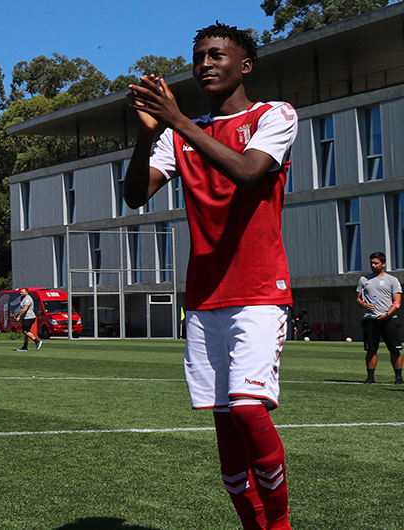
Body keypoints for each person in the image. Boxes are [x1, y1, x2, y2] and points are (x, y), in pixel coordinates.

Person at [125, 22, 298, 530]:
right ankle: (253, 524)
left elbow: (248, 172)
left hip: (260, 290)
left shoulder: (275, 115)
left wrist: (177, 120)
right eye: (199, 55)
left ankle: (281, 523)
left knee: (248, 410)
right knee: (225, 427)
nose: (205, 63)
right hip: (203, 297)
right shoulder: (178, 136)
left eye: (217, 55)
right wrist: (146, 136)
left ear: (244, 65)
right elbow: (136, 195)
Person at [356, 252, 403, 385]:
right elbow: (358, 298)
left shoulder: (392, 280)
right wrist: (364, 304)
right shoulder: (364, 279)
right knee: (371, 349)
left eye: (376, 263)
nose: (373, 265)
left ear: (383, 264)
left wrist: (387, 314)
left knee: (395, 349)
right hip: (370, 319)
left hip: (389, 319)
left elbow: (397, 301)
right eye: (371, 263)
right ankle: (370, 378)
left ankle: (398, 378)